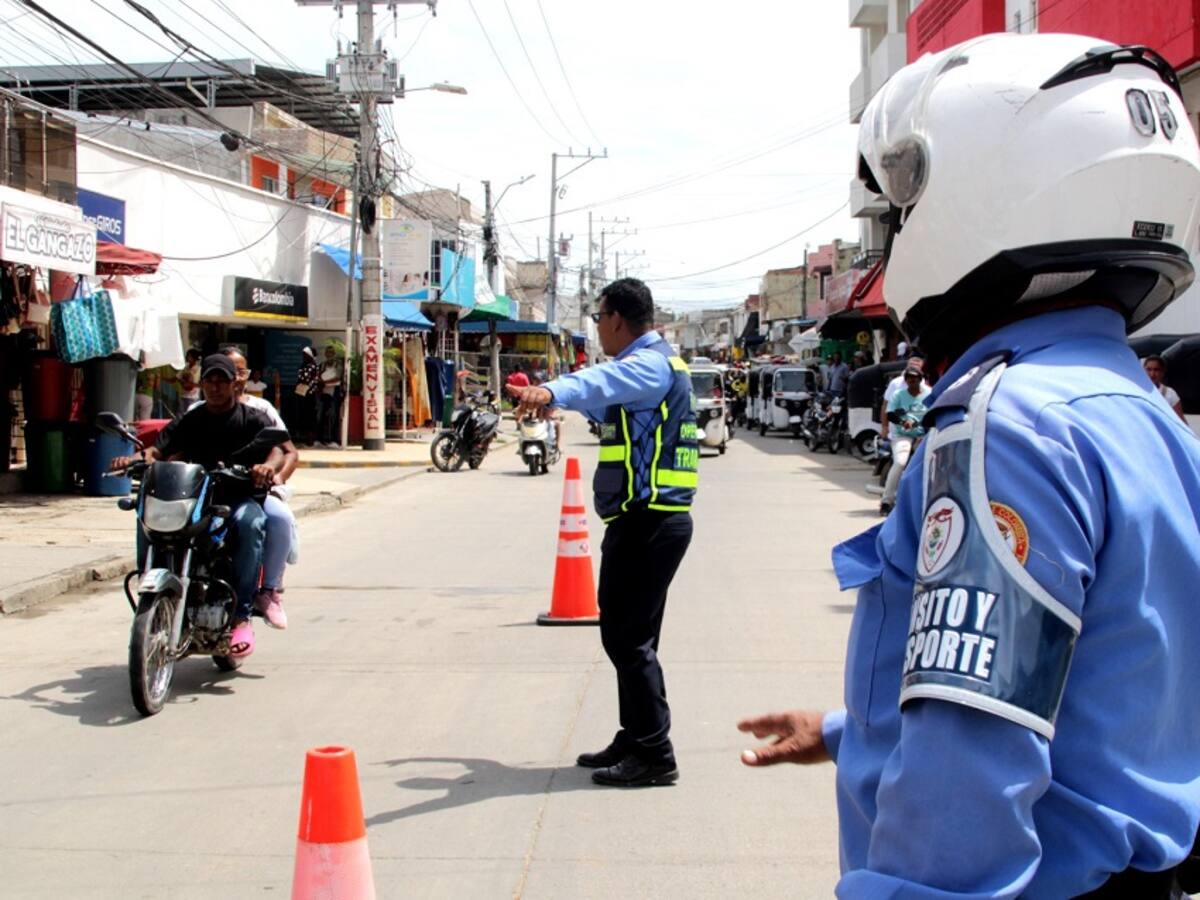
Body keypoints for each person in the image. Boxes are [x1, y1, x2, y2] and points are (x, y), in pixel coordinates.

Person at [738, 34, 1200, 897]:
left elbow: (967, 784)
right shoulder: (1141, 410)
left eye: (905, 209)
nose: (900, 235)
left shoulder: (1004, 423)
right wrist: (852, 731)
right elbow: (1113, 677)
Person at [509, 277, 698, 788]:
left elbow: (598, 383)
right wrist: (555, 404)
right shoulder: (649, 370)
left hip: (649, 520)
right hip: (648, 520)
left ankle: (655, 755)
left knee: (626, 639)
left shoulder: (648, 363)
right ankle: (635, 736)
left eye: (598, 319)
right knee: (634, 639)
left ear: (616, 319)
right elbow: (605, 401)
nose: (598, 330)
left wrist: (552, 388)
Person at [112, 354, 287, 658]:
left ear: (235, 383)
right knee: (147, 516)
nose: (215, 387)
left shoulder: (252, 418)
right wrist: (135, 460)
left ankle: (241, 617)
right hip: (194, 499)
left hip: (236, 498)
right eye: (210, 380)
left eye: (222, 380)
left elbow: (277, 451)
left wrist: (267, 468)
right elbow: (158, 449)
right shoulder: (191, 418)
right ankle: (151, 587)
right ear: (202, 383)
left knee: (251, 524)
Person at [216, 347, 299, 630]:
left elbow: (286, 452)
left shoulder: (260, 411)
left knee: (277, 519)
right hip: (208, 493)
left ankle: (268, 592)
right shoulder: (196, 412)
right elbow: (171, 448)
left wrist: (274, 477)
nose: (235, 378)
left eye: (241, 372)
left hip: (252, 492)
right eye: (225, 373)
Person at [878, 359, 929, 516]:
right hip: (902, 435)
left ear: (920, 379)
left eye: (914, 378)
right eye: (909, 378)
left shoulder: (928, 393)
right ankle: (887, 501)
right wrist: (899, 423)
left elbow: (933, 413)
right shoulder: (898, 393)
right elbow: (890, 412)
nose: (911, 381)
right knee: (900, 462)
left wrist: (925, 431)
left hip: (922, 435)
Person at [1143, 354, 1186, 422]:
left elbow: (1181, 422)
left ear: (1162, 372)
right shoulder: (1137, 392)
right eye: (1149, 369)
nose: (1152, 374)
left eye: (1156, 370)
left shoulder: (1170, 394)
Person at [295, 347, 321, 446]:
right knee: (303, 416)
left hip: (310, 395)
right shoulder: (303, 365)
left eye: (305, 355)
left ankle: (311, 439)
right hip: (301, 394)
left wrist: (305, 385)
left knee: (310, 416)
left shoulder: (314, 366)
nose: (303, 357)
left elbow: (311, 380)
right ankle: (304, 437)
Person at [318, 345, 342, 447]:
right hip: (324, 394)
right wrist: (321, 383)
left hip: (334, 394)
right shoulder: (322, 365)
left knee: (333, 416)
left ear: (334, 354)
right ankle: (321, 439)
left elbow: (338, 378)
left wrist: (325, 382)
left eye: (331, 352)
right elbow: (318, 377)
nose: (329, 354)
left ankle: (333, 440)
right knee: (321, 416)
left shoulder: (338, 365)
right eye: (328, 352)